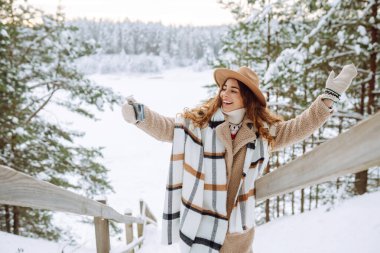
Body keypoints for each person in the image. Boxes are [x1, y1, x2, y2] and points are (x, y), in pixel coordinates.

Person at [122, 65, 357, 253]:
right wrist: (140, 116)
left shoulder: (262, 131)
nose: (225, 94)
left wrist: (329, 97)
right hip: (201, 224)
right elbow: (168, 128)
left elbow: (300, 126)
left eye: (233, 90)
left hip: (237, 233)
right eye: (224, 88)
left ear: (246, 97)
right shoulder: (199, 123)